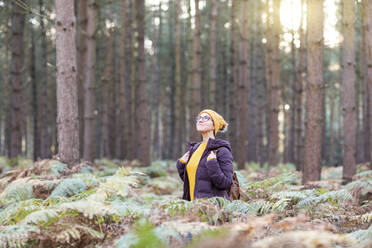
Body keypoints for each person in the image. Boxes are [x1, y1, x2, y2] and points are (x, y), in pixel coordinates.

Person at [176, 109, 234, 201]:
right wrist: (181, 165)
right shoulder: (194, 149)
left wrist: (212, 164)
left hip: (212, 209)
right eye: (199, 118)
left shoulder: (222, 150)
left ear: (214, 125)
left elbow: (226, 183)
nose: (200, 120)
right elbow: (196, 179)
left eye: (206, 118)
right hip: (195, 208)